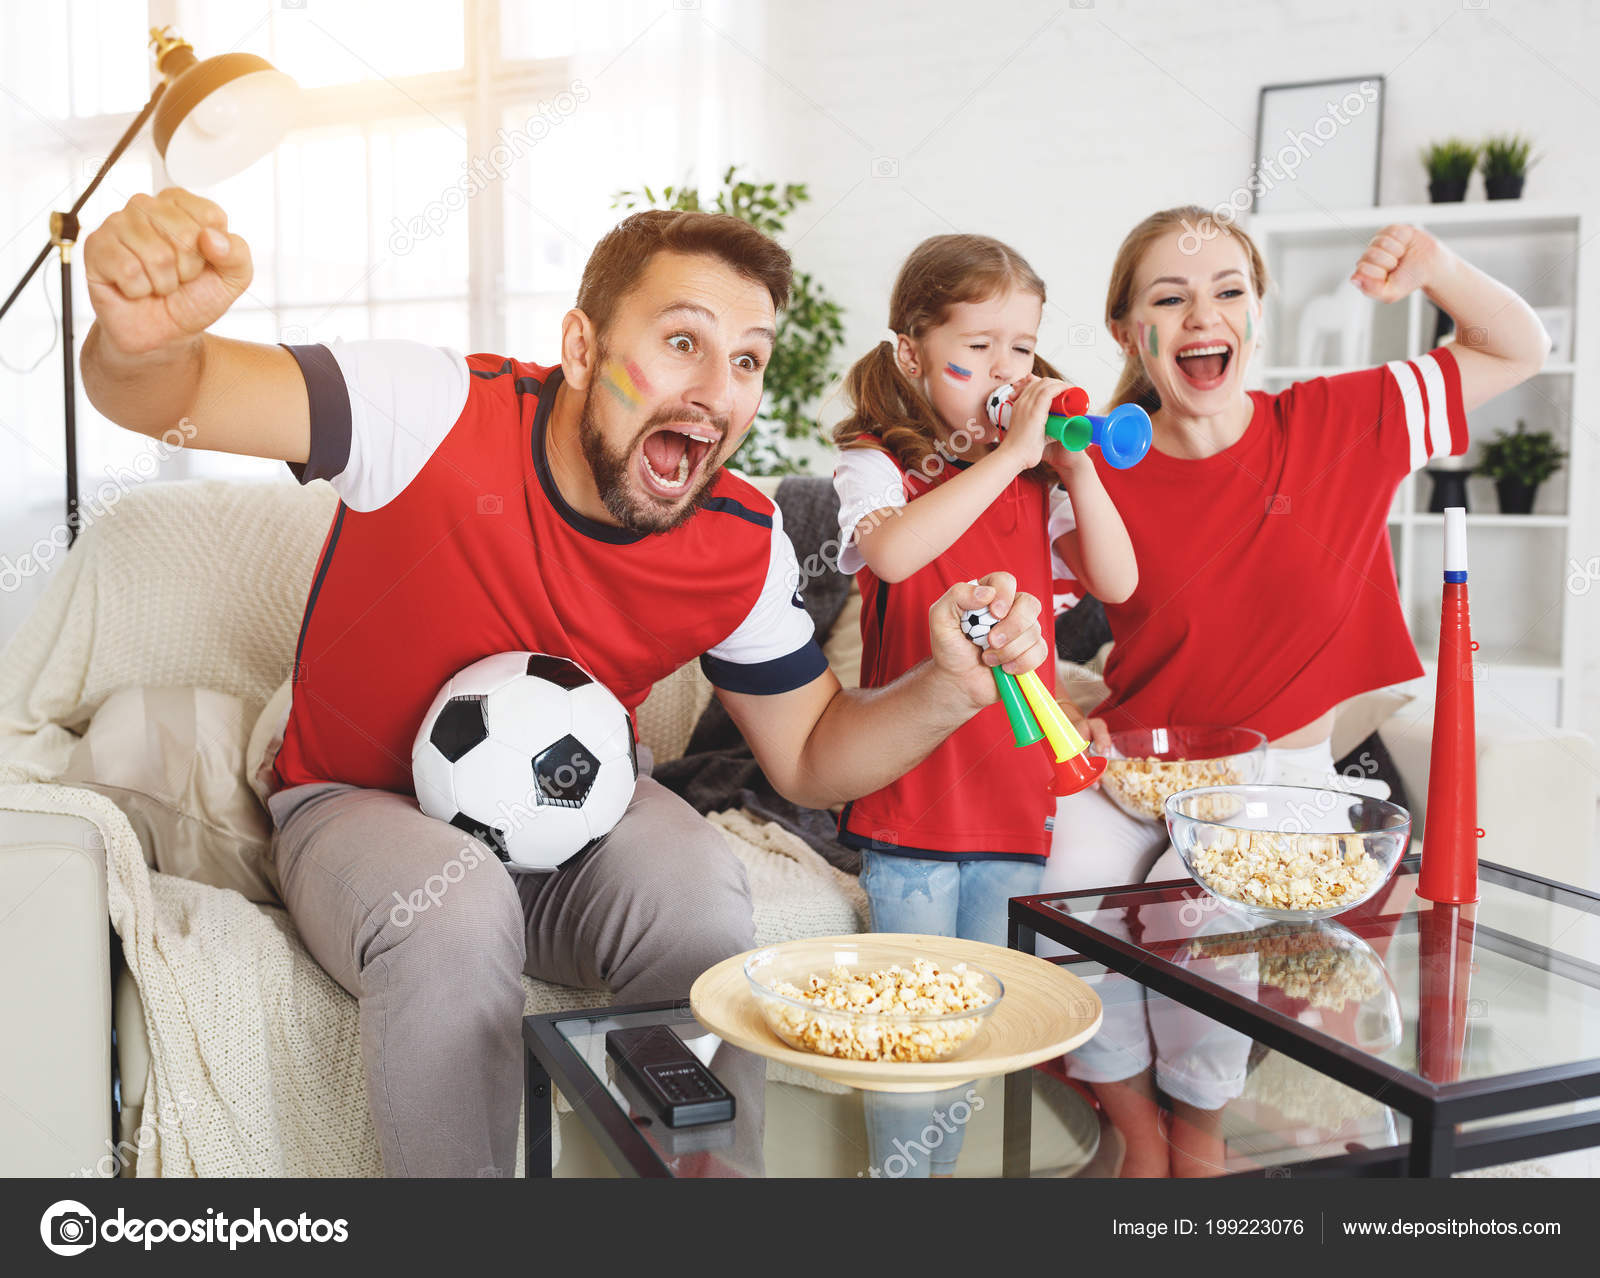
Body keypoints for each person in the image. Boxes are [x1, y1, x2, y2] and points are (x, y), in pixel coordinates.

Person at [78, 187, 1051, 1178]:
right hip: (353, 804)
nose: (717, 389)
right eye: (682, 341)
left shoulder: (740, 541)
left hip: (577, 823)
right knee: (450, 914)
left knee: (698, 897)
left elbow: (808, 759)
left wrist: (950, 684)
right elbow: (170, 392)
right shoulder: (428, 413)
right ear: (581, 349)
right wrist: (144, 345)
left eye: (747, 359)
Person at [1043, 205, 1549, 1175]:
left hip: (1278, 778)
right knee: (1060, 880)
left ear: (1255, 317)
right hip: (1137, 769)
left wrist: (1435, 266)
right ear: (1125, 331)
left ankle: (1196, 1132)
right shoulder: (1093, 467)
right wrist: (1064, 715)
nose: (1204, 314)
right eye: (1169, 296)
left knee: (1187, 906)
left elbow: (1517, 344)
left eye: (1228, 291)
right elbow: (1012, 621)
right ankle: (1128, 1124)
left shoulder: (1343, 421)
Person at [829, 233, 1136, 1176]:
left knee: (973, 1033)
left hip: (1011, 799)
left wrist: (1074, 468)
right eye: (977, 350)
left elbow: (1119, 582)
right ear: (912, 354)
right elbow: (891, 556)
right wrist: (1009, 454)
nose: (1006, 370)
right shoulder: (876, 461)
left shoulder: (1038, 479)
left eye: (1023, 346)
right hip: (914, 800)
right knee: (914, 1041)